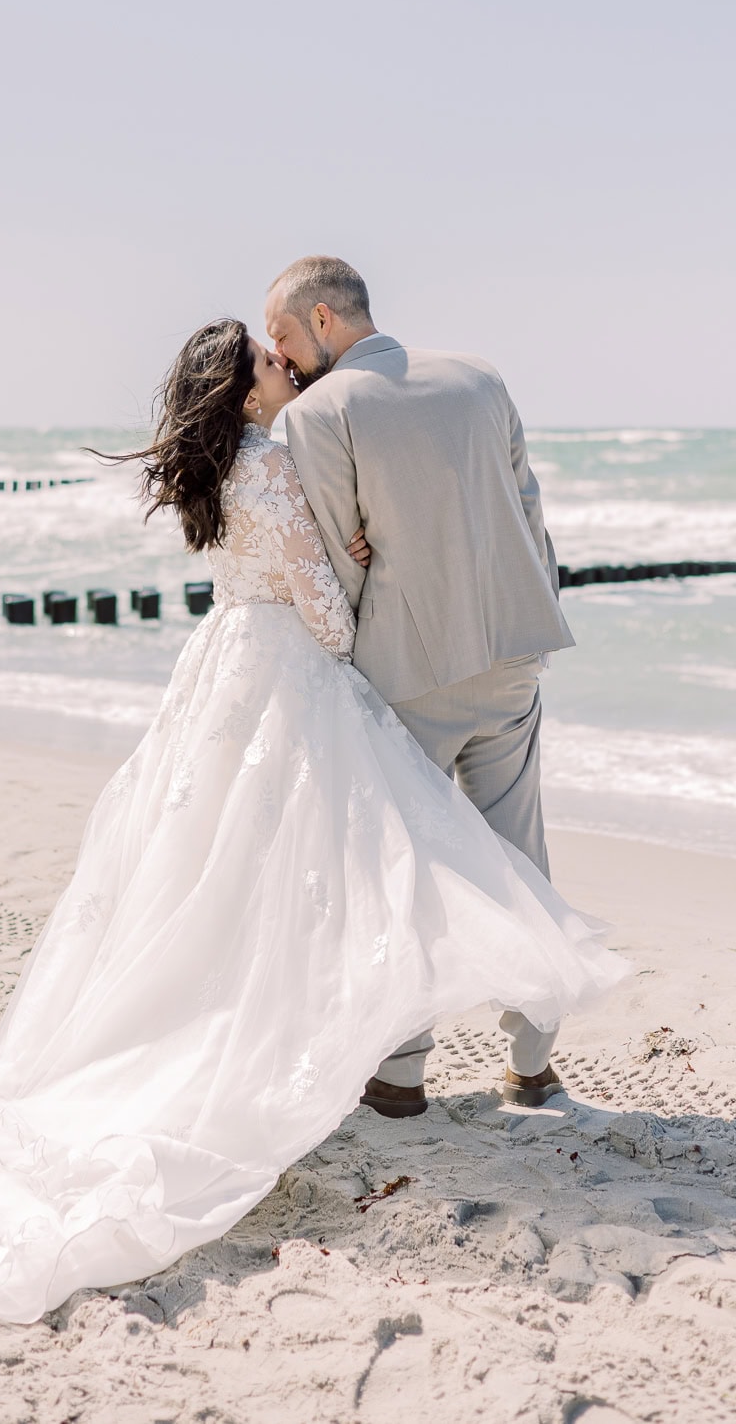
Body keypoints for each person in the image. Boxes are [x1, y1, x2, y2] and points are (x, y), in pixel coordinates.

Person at [0, 318, 624, 1326]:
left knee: (218, 876)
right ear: (244, 391)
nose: (291, 370)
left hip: (223, 668)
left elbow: (267, 565)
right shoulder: (274, 463)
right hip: (287, 674)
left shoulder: (220, 467)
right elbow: (324, 610)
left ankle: (392, 1074)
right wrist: (348, 563)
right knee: (360, 866)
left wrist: (339, 549)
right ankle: (458, 1062)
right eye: (274, 365)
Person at [268, 259, 575, 1115]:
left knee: (401, 872)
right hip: (513, 649)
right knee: (522, 856)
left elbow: (334, 565)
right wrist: (528, 608)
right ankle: (532, 1062)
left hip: (406, 672)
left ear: (323, 319)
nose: (279, 355)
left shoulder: (320, 411)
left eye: (285, 335)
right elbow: (528, 508)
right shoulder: (480, 374)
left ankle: (401, 1073)